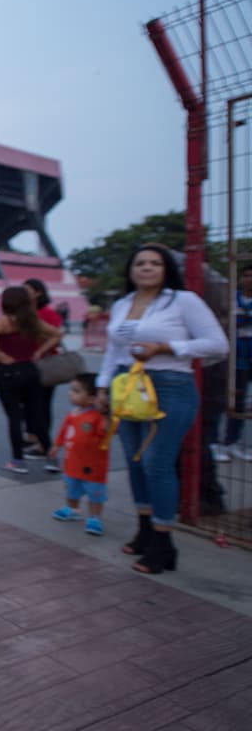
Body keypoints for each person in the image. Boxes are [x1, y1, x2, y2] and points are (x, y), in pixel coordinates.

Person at [98, 244, 226, 574]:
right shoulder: (122, 304)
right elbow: (114, 351)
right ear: (130, 270)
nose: (147, 268)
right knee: (135, 461)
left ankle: (163, 540)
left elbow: (217, 345)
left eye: (155, 263)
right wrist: (102, 387)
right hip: (126, 385)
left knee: (157, 462)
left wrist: (167, 347)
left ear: (167, 269)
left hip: (170, 385)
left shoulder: (184, 301)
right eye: (140, 263)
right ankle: (144, 530)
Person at [0, 286, 62, 475]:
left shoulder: (4, 321)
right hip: (30, 368)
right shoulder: (33, 321)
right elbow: (56, 334)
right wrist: (40, 351)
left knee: (14, 417)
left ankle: (18, 460)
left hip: (7, 371)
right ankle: (51, 458)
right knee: (36, 415)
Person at [48, 373, 110, 536]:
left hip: (93, 465)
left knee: (95, 492)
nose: (70, 393)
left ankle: (95, 517)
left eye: (76, 391)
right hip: (72, 462)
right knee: (71, 487)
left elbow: (106, 431)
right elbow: (63, 431)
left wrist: (105, 414)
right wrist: (57, 445)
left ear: (91, 398)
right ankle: (72, 508)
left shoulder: (97, 417)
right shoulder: (72, 413)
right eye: (71, 390)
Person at [212, 264, 252, 462]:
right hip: (235, 357)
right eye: (245, 275)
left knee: (243, 403)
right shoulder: (231, 298)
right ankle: (218, 443)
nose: (249, 279)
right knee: (227, 399)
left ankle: (233, 442)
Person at [23, 278, 65, 466]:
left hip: (45, 364)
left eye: (27, 290)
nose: (24, 292)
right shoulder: (27, 312)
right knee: (30, 404)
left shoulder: (47, 313)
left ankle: (44, 444)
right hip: (28, 363)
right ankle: (33, 436)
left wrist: (40, 349)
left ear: (38, 292)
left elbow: (55, 336)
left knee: (41, 405)